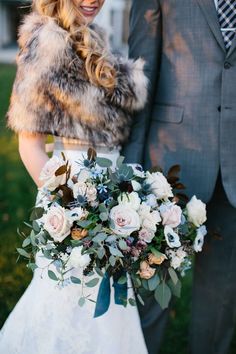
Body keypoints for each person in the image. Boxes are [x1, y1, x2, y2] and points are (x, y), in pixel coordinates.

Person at [0, 1, 149, 353]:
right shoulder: (46, 42)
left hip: (113, 199)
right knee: (66, 299)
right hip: (71, 196)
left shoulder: (98, 40)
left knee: (109, 303)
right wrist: (69, 210)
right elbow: (29, 145)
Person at [122, 1, 236, 354]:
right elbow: (144, 72)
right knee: (150, 298)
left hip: (233, 170)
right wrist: (132, 168)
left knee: (220, 303)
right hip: (170, 162)